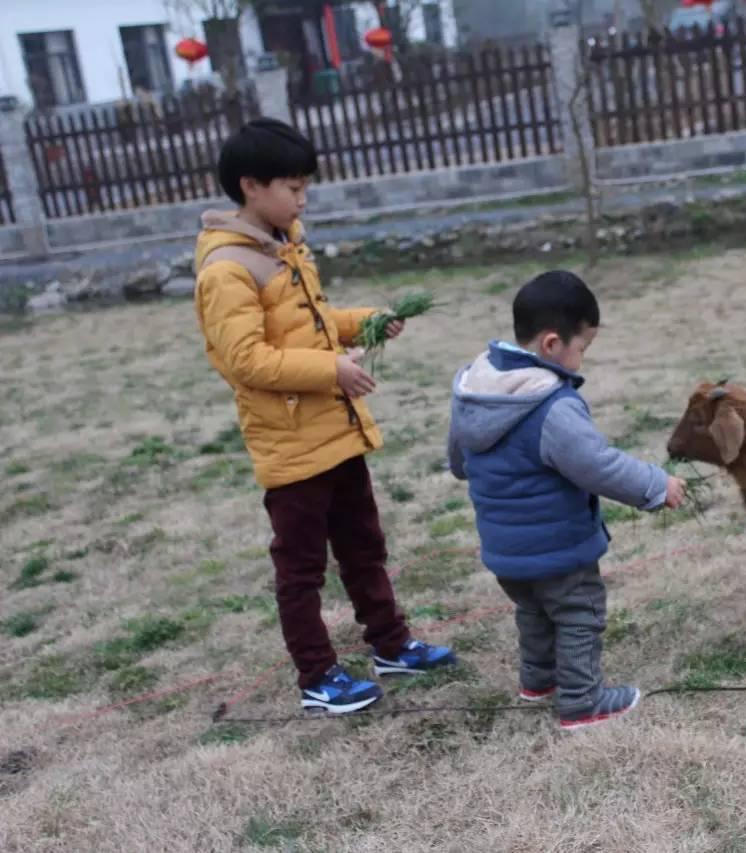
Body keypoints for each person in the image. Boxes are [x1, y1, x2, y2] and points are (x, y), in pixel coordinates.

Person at [193, 118, 455, 715]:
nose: (302, 198)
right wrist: (332, 369)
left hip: (335, 431)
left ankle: (391, 644)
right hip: (290, 443)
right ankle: (318, 677)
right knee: (302, 568)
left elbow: (314, 319)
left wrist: (366, 320)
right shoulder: (227, 270)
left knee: (365, 545)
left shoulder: (284, 245)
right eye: (292, 186)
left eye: (306, 186)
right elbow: (246, 359)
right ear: (251, 186)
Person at [447, 270, 686, 730]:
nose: (582, 362)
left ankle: (538, 681)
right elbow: (598, 464)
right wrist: (657, 486)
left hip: (504, 550)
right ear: (552, 344)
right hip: (557, 547)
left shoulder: (476, 387)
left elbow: (459, 458)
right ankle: (581, 700)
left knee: (533, 610)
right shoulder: (551, 406)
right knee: (578, 613)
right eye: (583, 349)